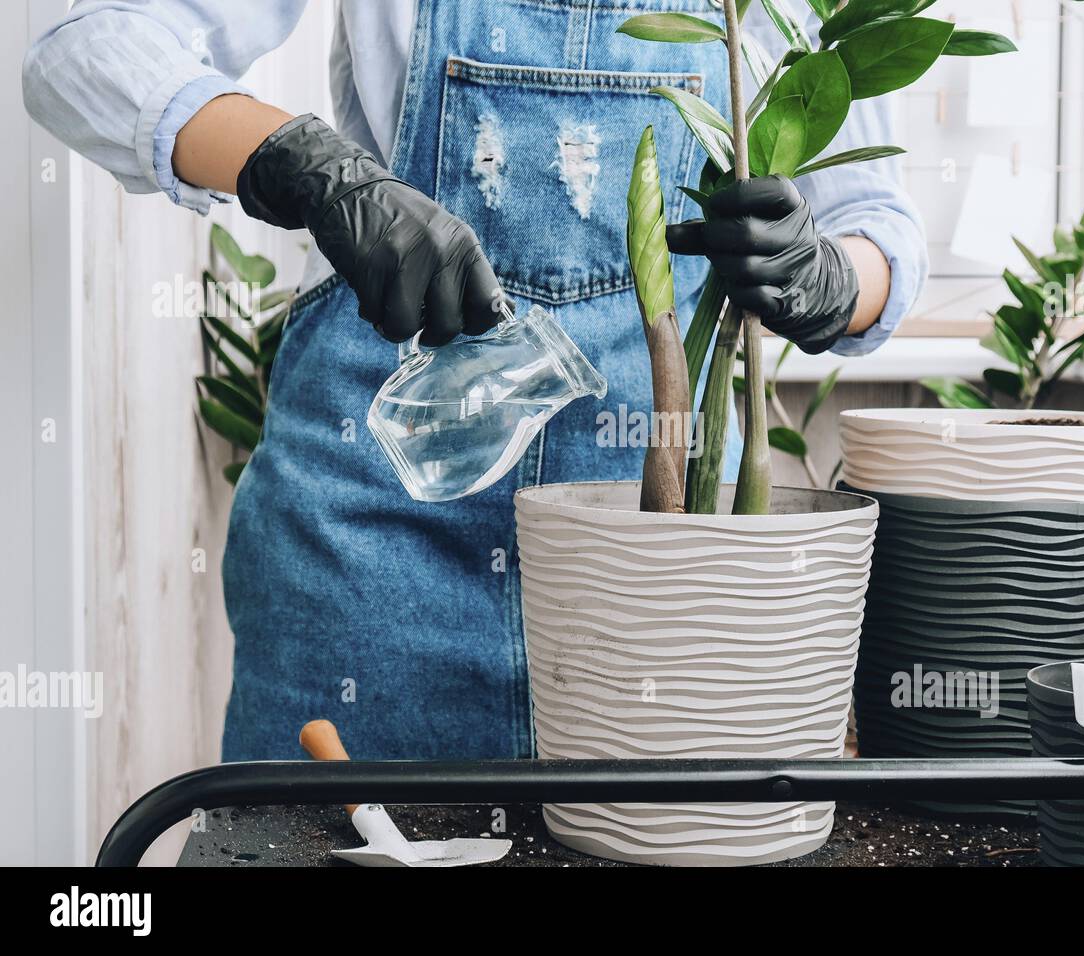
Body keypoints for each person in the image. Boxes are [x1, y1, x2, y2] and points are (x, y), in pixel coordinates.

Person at [24, 0, 928, 760]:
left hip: (666, 570)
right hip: (369, 553)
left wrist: (829, 276)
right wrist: (300, 167)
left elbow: (878, 225)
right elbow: (86, 51)